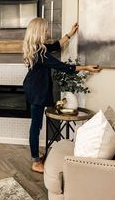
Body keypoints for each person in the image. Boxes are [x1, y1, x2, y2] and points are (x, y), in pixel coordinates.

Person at [23, 17, 101, 174]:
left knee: (36, 124)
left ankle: (34, 152)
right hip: (36, 91)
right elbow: (63, 67)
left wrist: (71, 33)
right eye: (45, 29)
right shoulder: (40, 53)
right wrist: (86, 67)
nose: (47, 32)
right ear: (38, 32)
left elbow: (57, 45)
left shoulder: (39, 48)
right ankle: (35, 161)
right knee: (36, 126)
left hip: (34, 87)